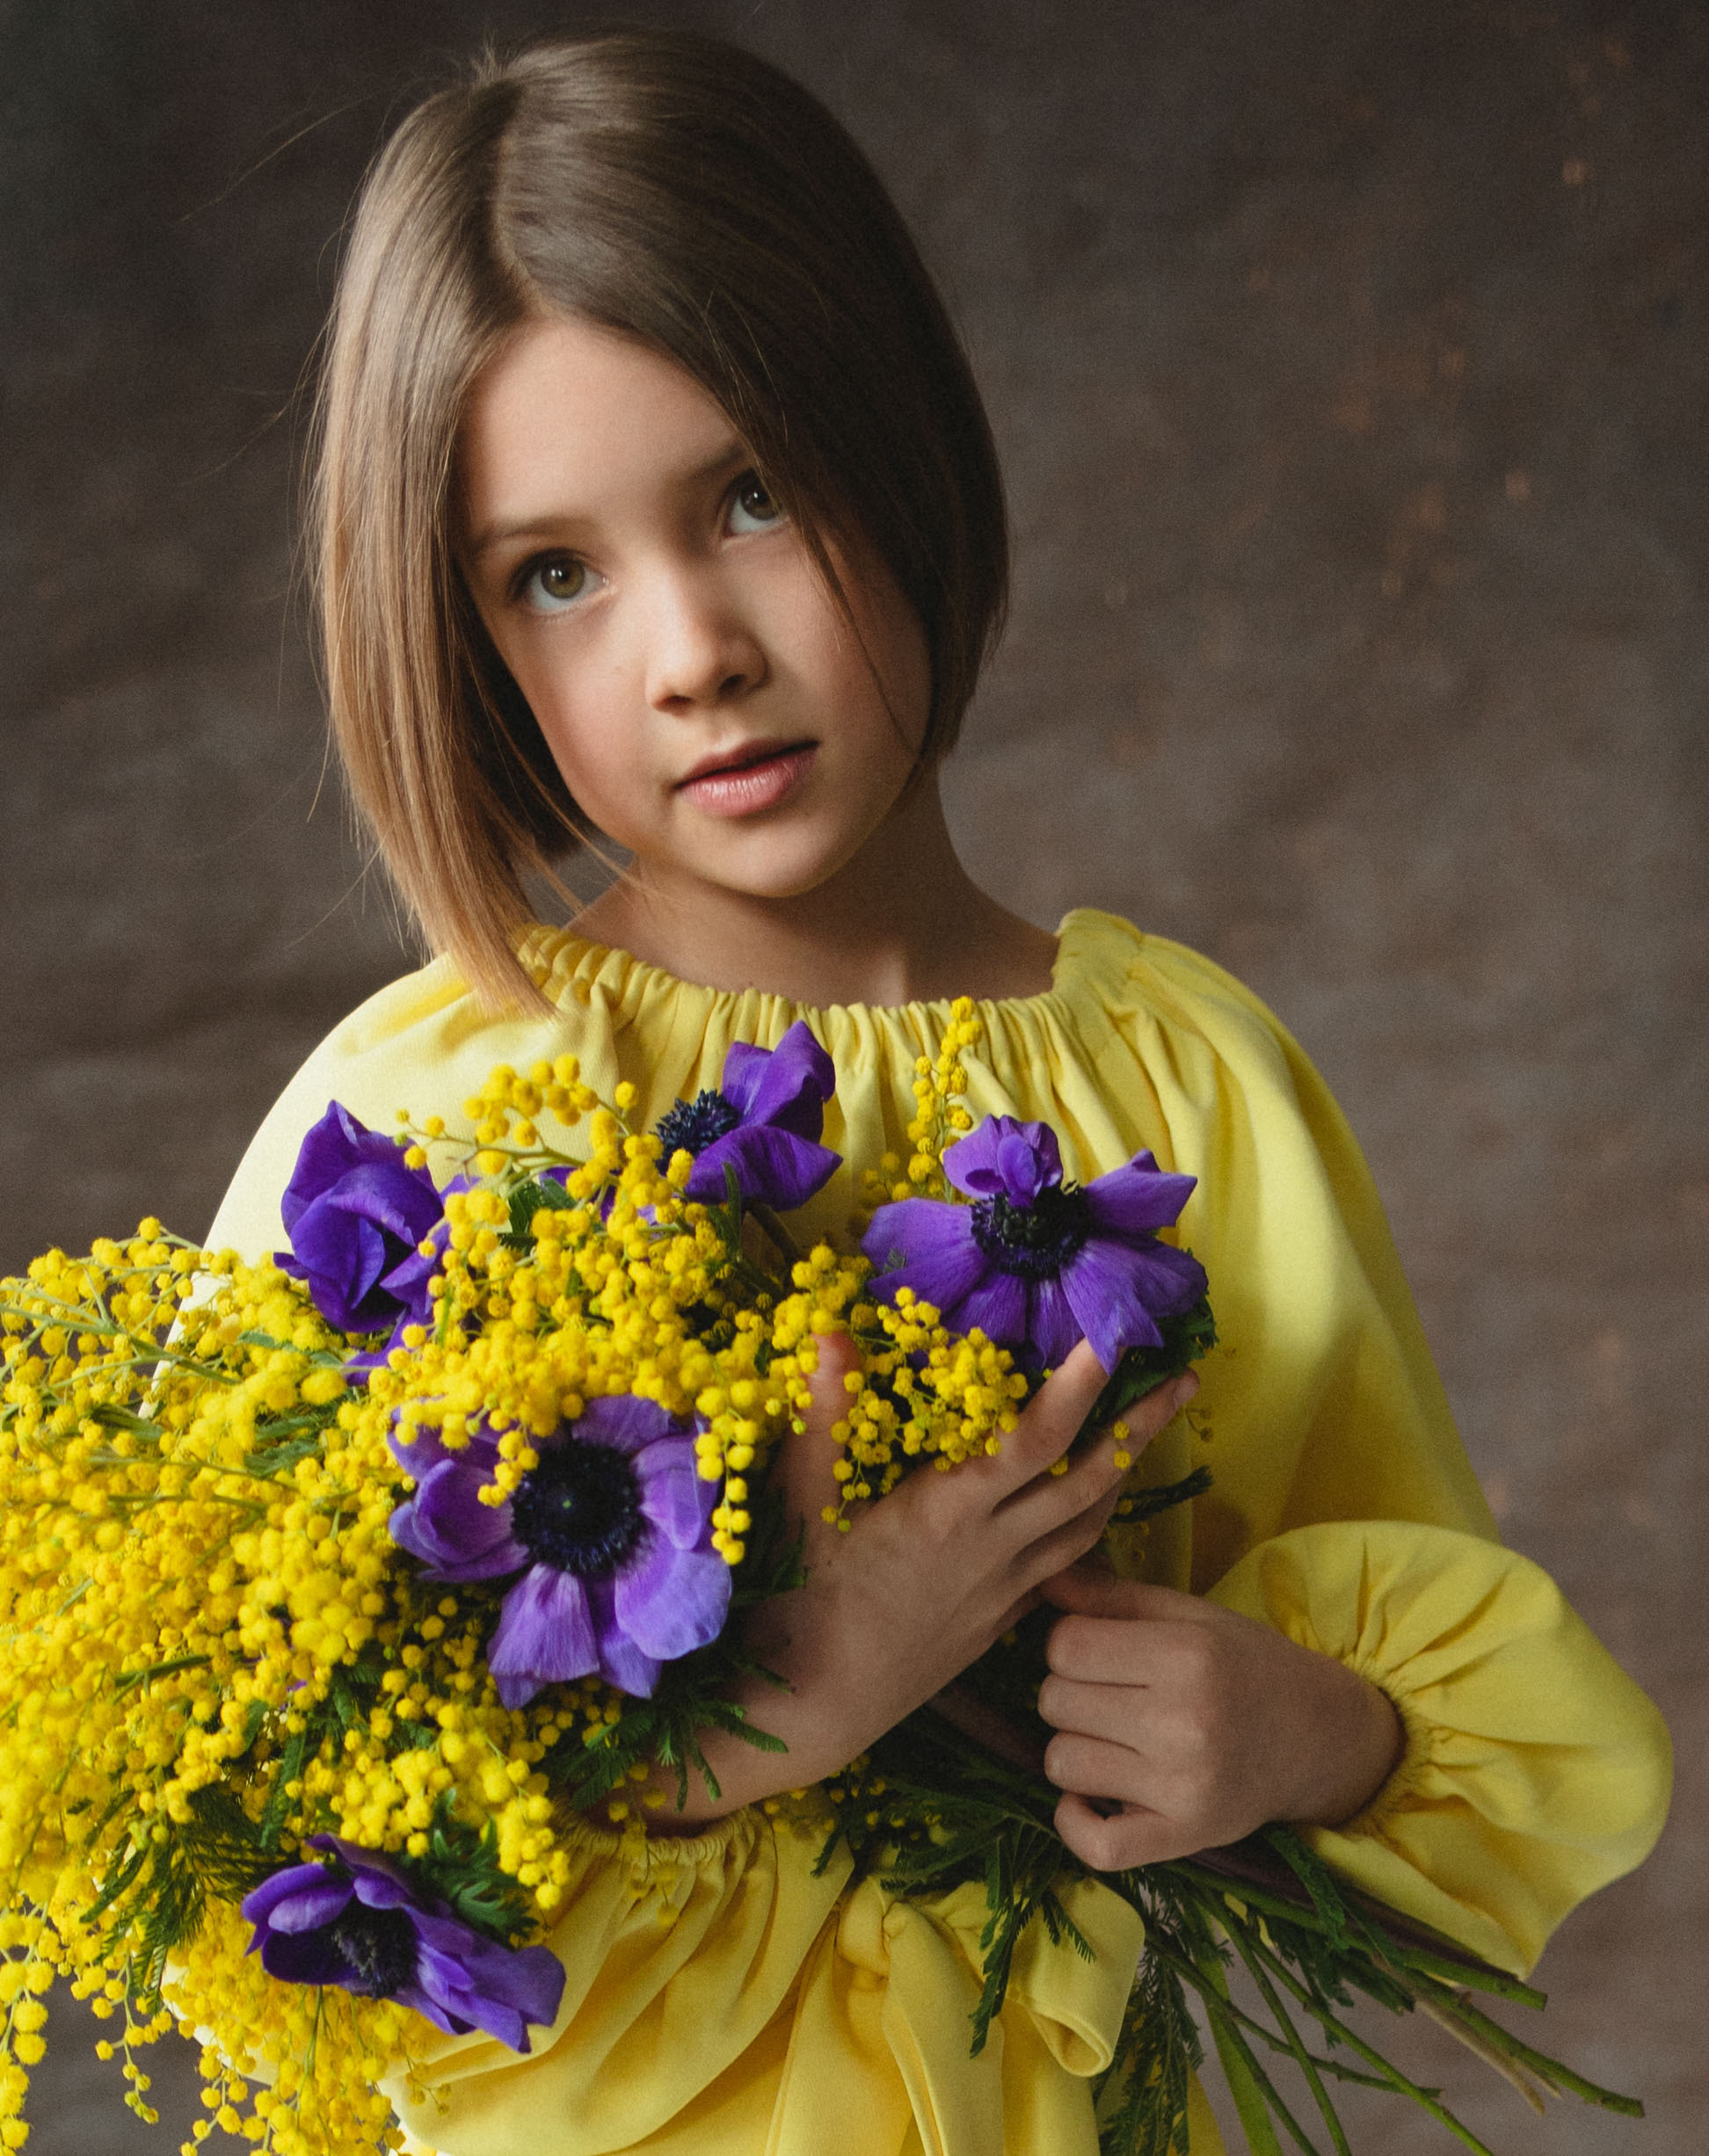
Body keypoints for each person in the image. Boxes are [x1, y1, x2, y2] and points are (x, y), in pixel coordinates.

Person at [207, 30, 1671, 2156]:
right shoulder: (431, 1122)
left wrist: (1312, 1734)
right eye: (557, 572)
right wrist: (762, 1707)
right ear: (457, 638)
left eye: (751, 495)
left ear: (899, 446)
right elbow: (264, 1846)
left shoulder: (1185, 1083)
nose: (692, 644)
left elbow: (1408, 1611)